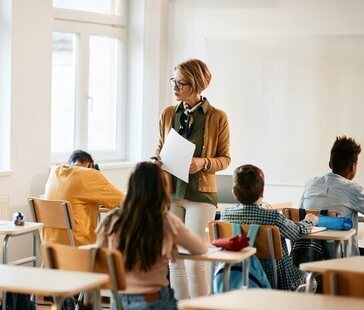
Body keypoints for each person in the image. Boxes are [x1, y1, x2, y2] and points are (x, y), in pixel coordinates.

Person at [155, 59, 230, 298]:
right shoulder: (167, 114)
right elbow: (159, 146)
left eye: (181, 83)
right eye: (173, 81)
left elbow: (225, 158)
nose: (174, 87)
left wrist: (203, 163)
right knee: (175, 260)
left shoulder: (218, 117)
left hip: (200, 194)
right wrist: (157, 158)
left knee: (195, 260)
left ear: (197, 85)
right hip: (171, 192)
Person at [96, 162, 208, 310]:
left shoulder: (112, 220)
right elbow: (200, 248)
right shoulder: (165, 221)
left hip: (118, 300)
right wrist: (170, 240)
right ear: (162, 189)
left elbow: (100, 257)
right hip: (153, 301)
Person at [221, 164, 319, 290]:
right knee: (310, 279)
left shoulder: (225, 216)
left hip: (238, 277)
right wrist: (309, 220)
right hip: (276, 279)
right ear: (262, 191)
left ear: (234, 193)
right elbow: (297, 232)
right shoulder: (273, 217)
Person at [300, 135, 364, 257]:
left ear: (330, 164)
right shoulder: (352, 189)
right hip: (340, 259)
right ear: (352, 167)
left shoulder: (310, 184)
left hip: (309, 257)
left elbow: (302, 214)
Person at [44, 150, 124, 246]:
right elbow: (121, 199)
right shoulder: (89, 174)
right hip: (79, 247)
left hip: (50, 247)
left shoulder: (55, 171)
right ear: (90, 165)